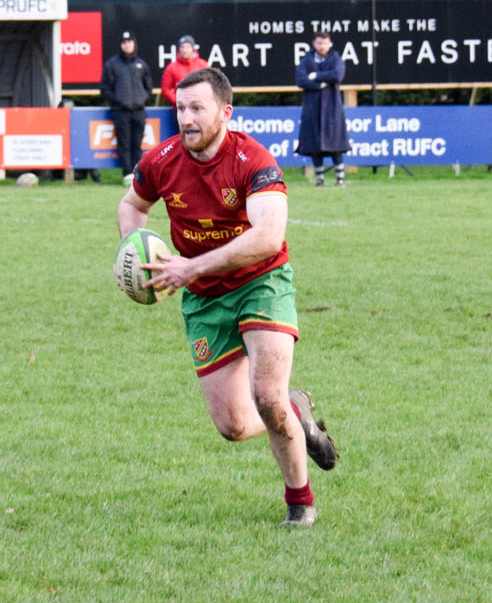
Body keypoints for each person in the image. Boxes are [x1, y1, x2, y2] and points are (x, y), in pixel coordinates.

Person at [116, 68, 339, 528]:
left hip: (261, 282)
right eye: (181, 108)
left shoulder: (253, 160)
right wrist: (134, 251)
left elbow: (268, 236)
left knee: (266, 396)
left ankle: (300, 504)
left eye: (197, 108)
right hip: (204, 299)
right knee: (234, 426)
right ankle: (295, 409)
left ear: (225, 112)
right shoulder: (161, 160)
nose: (186, 118)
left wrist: (191, 265)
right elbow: (132, 205)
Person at [295, 32, 351, 187]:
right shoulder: (306, 60)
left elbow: (337, 75)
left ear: (329, 44)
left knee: (335, 143)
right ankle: (320, 180)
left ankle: (340, 179)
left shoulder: (336, 59)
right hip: (312, 108)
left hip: (332, 108)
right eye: (319, 43)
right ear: (314, 44)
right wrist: (320, 85)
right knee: (315, 144)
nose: (322, 46)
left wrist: (315, 76)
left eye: (325, 43)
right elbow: (300, 80)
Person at [100, 30, 153, 183]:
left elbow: (149, 88)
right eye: (124, 42)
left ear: (134, 44)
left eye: (129, 42)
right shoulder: (112, 64)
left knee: (137, 143)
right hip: (120, 111)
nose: (127, 45)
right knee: (124, 143)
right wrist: (118, 101)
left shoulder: (141, 64)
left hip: (138, 111)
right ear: (121, 45)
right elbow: (104, 88)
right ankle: (127, 174)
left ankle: (138, 174)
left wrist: (141, 100)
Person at [160, 34, 209, 108]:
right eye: (182, 47)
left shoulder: (203, 65)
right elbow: (165, 89)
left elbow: (210, 85)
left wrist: (203, 100)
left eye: (188, 47)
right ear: (179, 49)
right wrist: (177, 101)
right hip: (181, 109)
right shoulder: (171, 67)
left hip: (201, 107)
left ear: (193, 48)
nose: (185, 50)